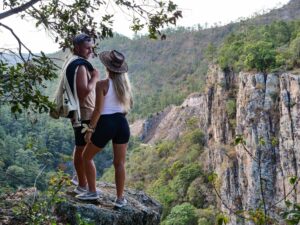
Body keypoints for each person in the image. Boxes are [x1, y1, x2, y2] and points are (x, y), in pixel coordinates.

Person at [76, 50, 132, 208]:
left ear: (107, 67)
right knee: (119, 163)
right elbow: (126, 109)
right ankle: (120, 199)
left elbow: (98, 110)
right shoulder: (125, 86)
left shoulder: (102, 84)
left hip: (106, 123)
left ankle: (92, 191)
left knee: (86, 157)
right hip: (122, 123)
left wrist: (89, 129)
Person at [66, 33, 99, 194]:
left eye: (91, 48)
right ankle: (83, 185)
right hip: (84, 113)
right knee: (84, 150)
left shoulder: (73, 62)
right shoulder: (81, 67)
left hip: (78, 113)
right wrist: (95, 78)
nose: (90, 51)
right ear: (77, 47)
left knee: (80, 147)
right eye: (87, 48)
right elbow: (83, 92)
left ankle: (80, 180)